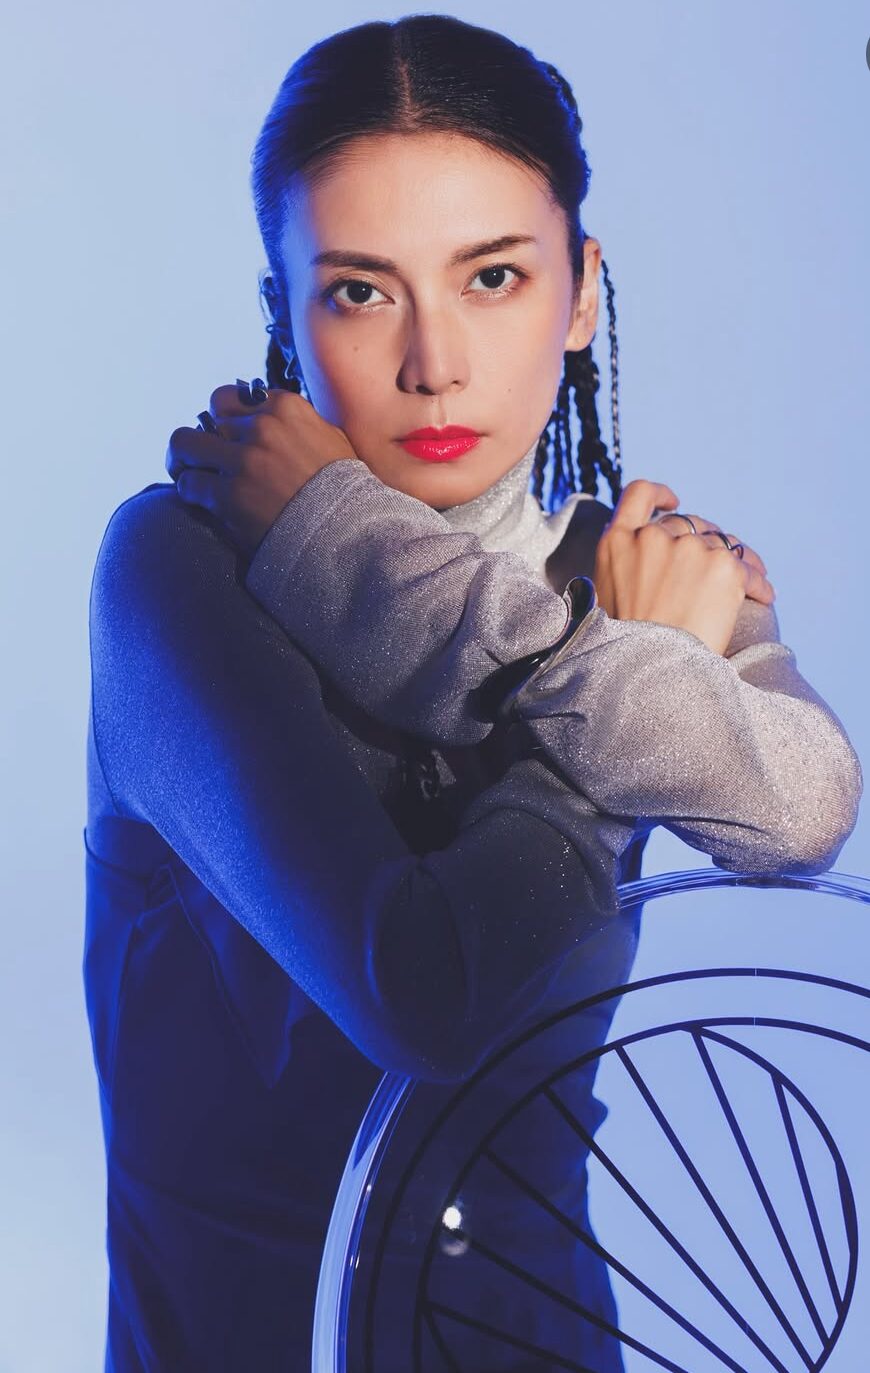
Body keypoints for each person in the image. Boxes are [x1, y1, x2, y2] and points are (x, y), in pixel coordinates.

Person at [83, 14, 862, 1371]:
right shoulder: (178, 568)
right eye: (360, 291)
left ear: (581, 293)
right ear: (286, 309)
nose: (434, 363)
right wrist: (631, 688)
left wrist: (347, 543)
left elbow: (803, 813)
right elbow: (424, 996)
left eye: (493, 276)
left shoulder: (639, 574)